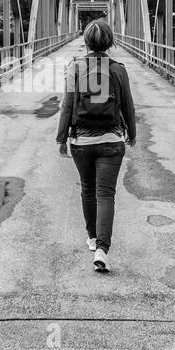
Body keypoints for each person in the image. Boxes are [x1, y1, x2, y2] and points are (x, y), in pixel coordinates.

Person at [55, 19, 137, 272]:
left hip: (82, 141)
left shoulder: (75, 67)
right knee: (106, 194)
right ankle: (102, 249)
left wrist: (61, 138)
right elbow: (128, 105)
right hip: (112, 141)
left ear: (85, 41)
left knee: (88, 190)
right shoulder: (118, 69)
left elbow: (68, 106)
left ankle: (92, 238)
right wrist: (131, 133)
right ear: (111, 42)